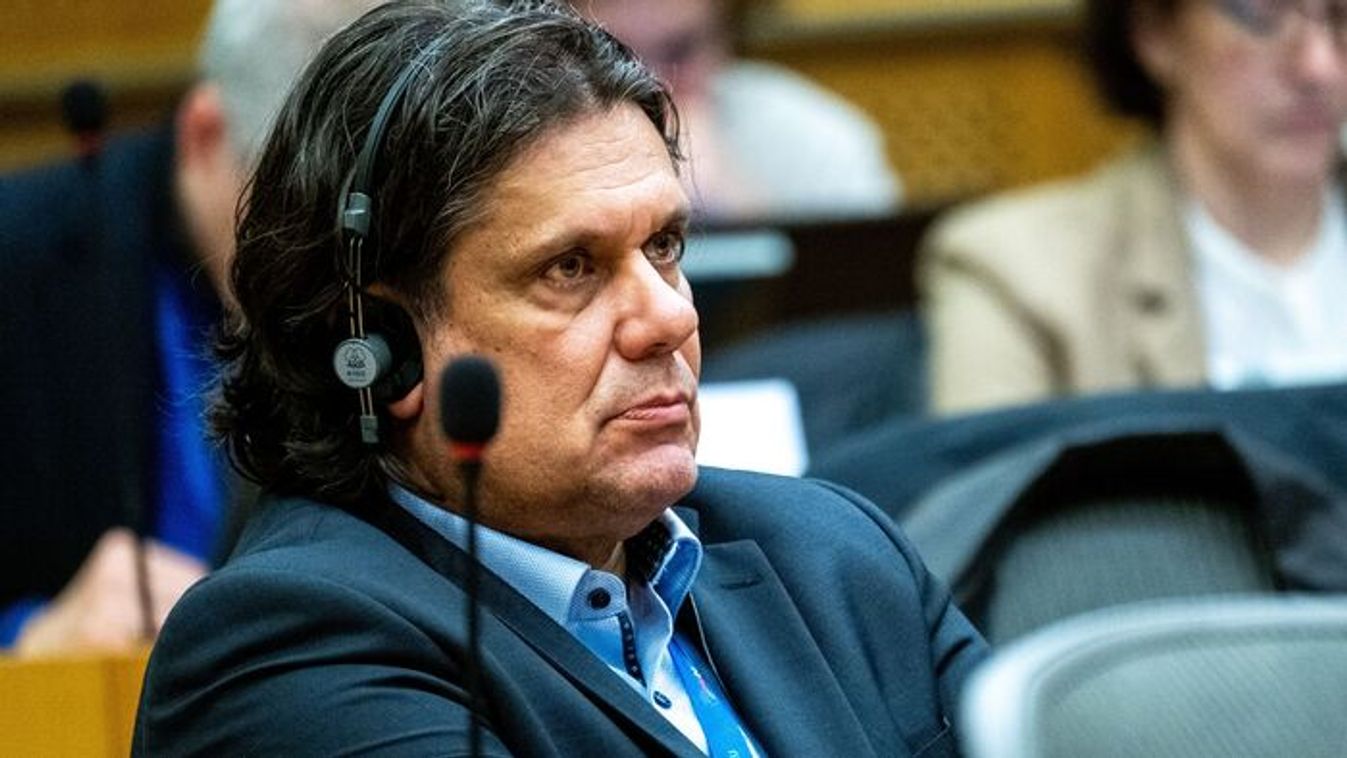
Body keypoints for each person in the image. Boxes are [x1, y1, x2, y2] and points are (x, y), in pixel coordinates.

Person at [133, 2, 987, 754]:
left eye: (664, 247)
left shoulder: (835, 555)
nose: (668, 318)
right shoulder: (287, 650)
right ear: (378, 343)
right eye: (570, 268)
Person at [0, 0, 380, 655]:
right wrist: (27, 640)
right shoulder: (18, 261)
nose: (337, 269)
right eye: (298, 217)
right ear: (205, 135)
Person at [920, 0, 1347, 414]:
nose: (1318, 67)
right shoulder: (1016, 271)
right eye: (1265, 12)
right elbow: (997, 462)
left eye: (1341, 15)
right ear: (1155, 33)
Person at [572, 0, 901, 222]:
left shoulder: (819, 137)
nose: (651, 85)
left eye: (679, 51)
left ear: (726, 38)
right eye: (610, 55)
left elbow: (864, 284)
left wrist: (726, 205)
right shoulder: (542, 138)